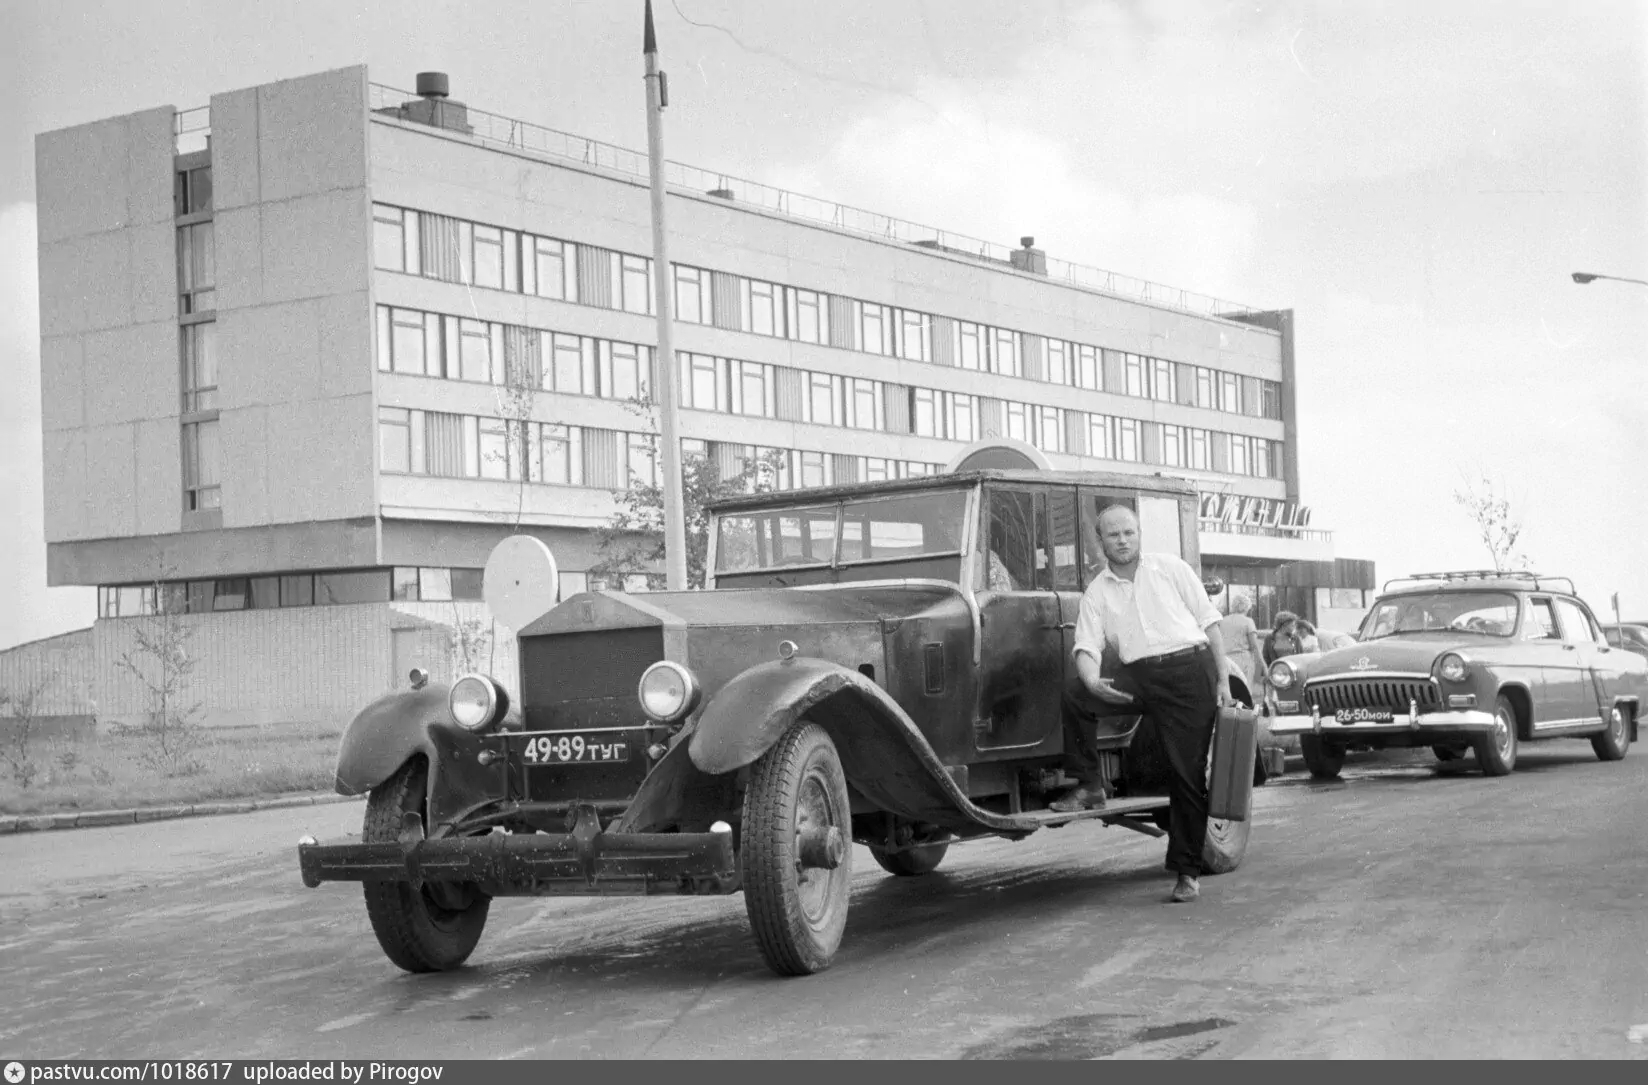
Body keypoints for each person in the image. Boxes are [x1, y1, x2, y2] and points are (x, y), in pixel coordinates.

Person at [1059, 504, 1233, 905]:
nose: (1122, 540)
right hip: (1139, 675)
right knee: (1075, 692)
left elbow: (1209, 622)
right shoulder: (1097, 591)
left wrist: (1222, 680)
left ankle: (1187, 872)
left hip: (1189, 673)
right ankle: (1089, 784)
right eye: (1113, 535)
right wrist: (1091, 679)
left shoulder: (1170, 568)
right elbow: (1086, 645)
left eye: (1129, 533)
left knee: (1186, 773)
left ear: (1139, 535)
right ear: (1100, 541)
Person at [1216, 596, 1265, 689]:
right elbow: (1255, 646)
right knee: (1244, 690)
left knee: (1229, 689)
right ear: (1246, 607)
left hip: (1226, 659)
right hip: (1243, 659)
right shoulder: (1248, 621)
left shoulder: (1222, 621)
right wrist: (1262, 664)